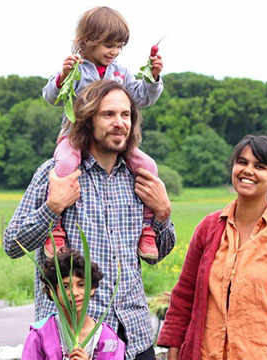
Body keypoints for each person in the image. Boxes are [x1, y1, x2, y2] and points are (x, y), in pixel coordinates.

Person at [4, 80, 175, 360]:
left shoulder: (141, 178)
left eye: (126, 115)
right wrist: (53, 207)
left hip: (133, 334)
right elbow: (12, 244)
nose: (119, 123)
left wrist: (163, 214)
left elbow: (156, 256)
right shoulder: (56, 174)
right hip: (74, 340)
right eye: (108, 115)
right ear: (87, 120)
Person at [157, 135, 267, 360]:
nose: (248, 170)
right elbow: (185, 294)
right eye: (242, 162)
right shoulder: (210, 228)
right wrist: (174, 349)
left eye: (259, 166)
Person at [42, 6, 164, 260]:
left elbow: (141, 97)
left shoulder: (121, 73)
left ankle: (147, 229)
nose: (114, 52)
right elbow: (50, 97)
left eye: (119, 46)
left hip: (113, 141)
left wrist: (152, 78)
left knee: (148, 166)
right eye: (109, 45)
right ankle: (55, 229)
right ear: (87, 41)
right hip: (75, 137)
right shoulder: (76, 69)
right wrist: (62, 77)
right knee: (64, 165)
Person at [22, 248, 125, 359]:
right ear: (52, 291)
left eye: (81, 285)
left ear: (92, 288)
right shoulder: (40, 335)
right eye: (65, 287)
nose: (74, 293)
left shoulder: (108, 339)